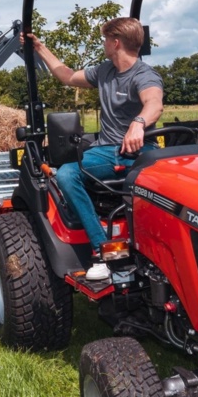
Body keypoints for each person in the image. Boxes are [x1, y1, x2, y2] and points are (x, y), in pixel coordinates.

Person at [24, 17, 164, 282]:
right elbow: (66, 75)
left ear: (115, 42)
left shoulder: (144, 74)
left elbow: (154, 103)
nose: (103, 44)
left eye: (104, 40)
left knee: (65, 174)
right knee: (68, 170)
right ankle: (105, 242)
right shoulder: (105, 71)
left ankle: (103, 253)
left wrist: (138, 123)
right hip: (108, 151)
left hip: (136, 151)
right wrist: (38, 48)